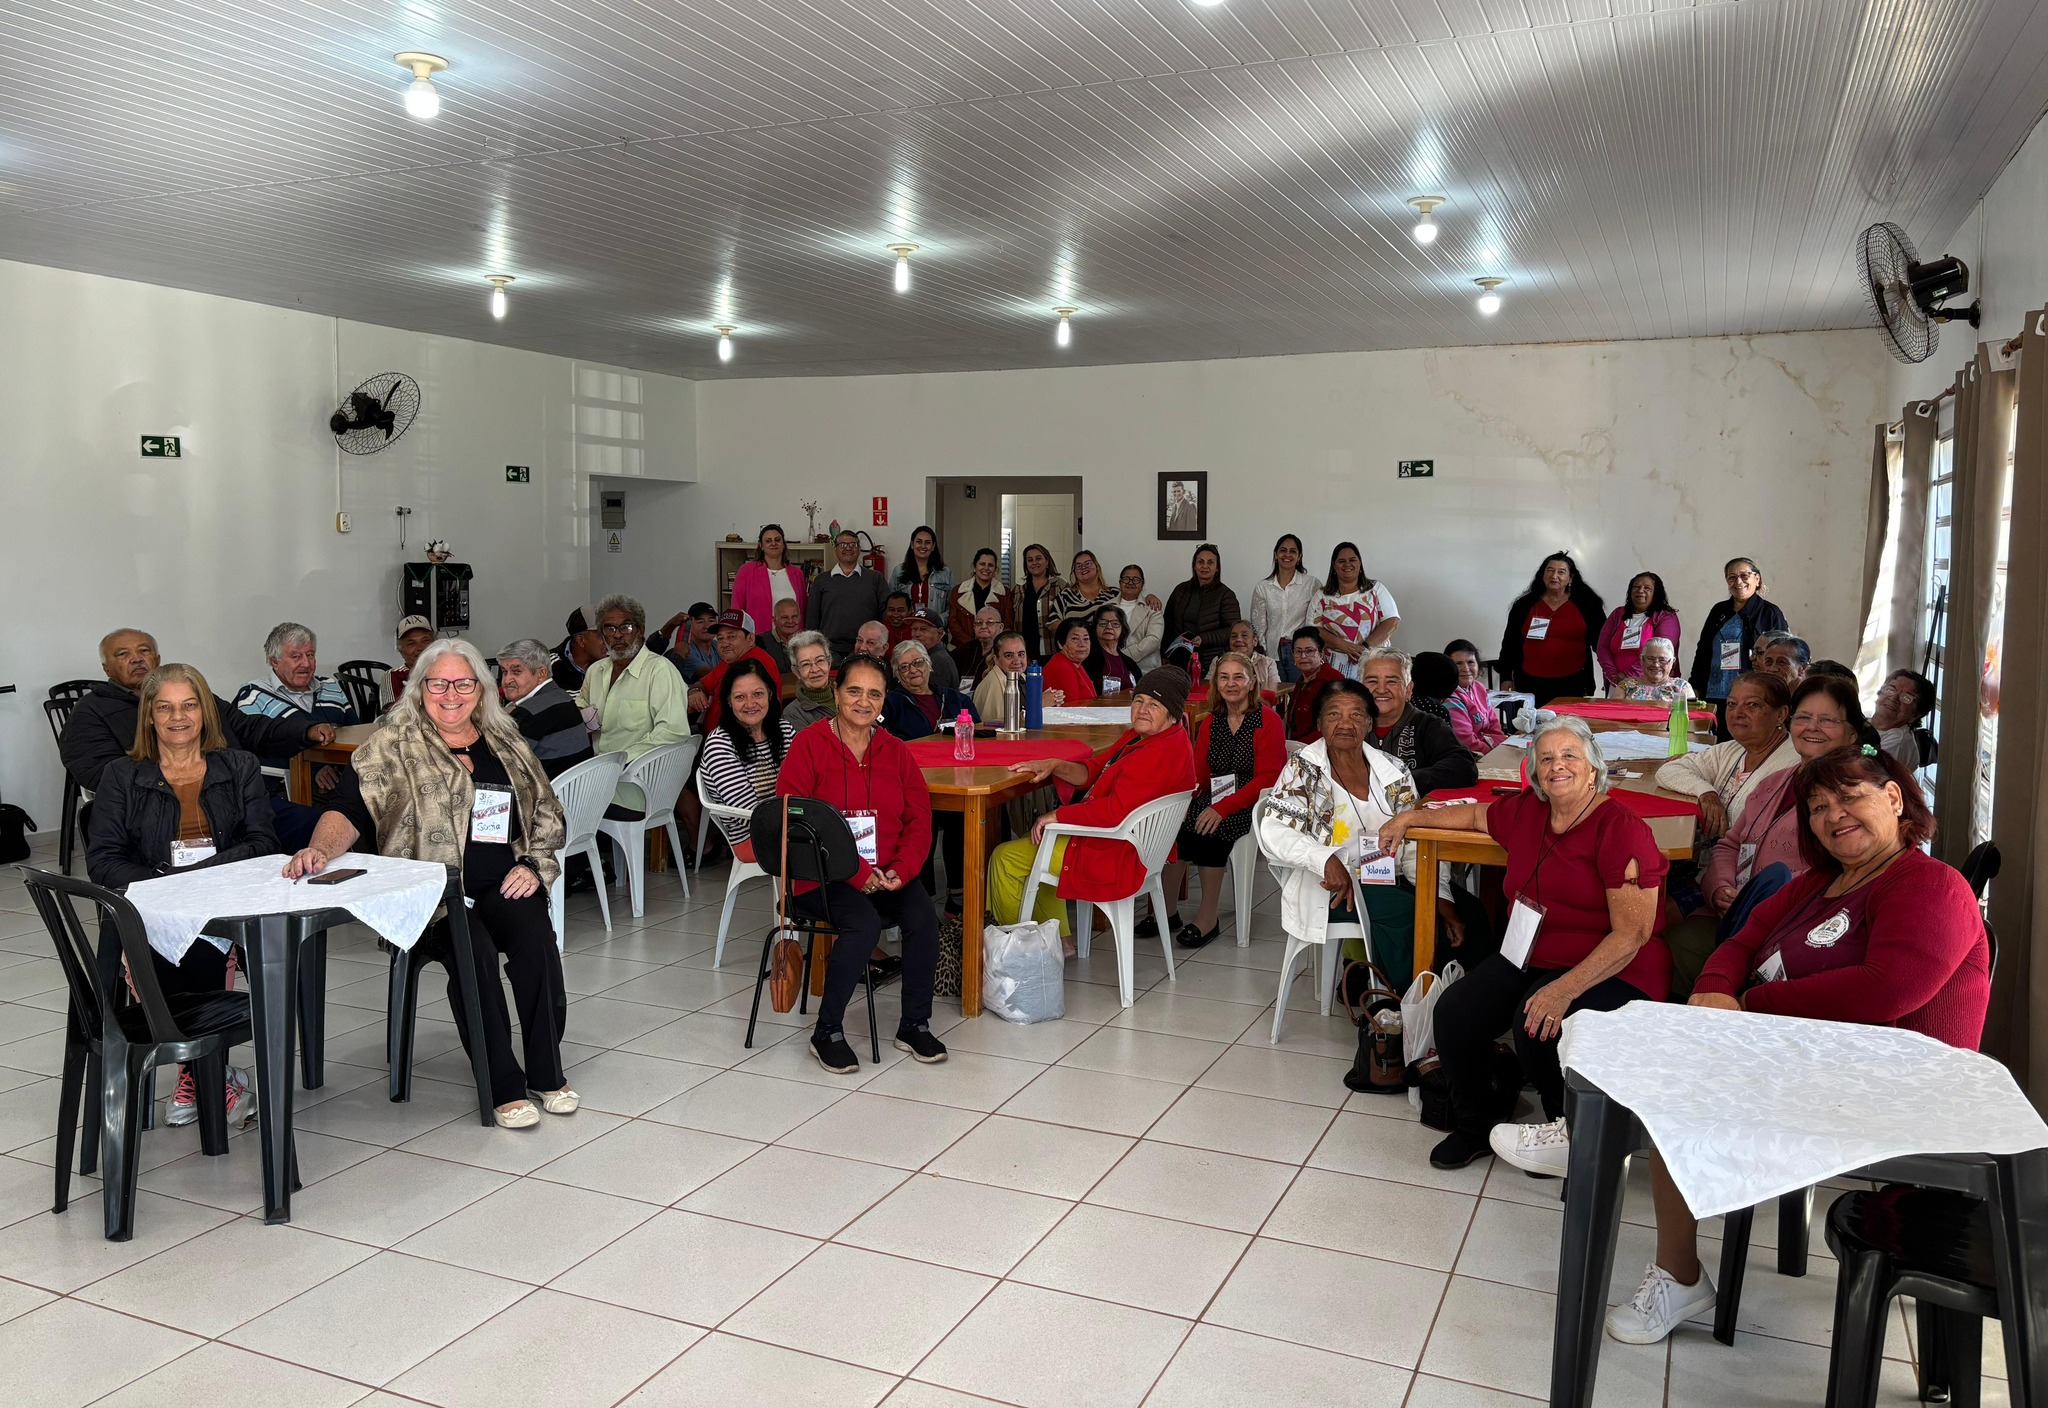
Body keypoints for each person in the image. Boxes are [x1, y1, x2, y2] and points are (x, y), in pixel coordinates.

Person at [1602, 746, 1988, 1345]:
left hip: (1888, 1090)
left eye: (1851, 796)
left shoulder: (1930, 885)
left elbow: (1883, 992)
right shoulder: (1821, 882)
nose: (1834, 815)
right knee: (1663, 1061)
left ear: (1894, 798)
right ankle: (1593, 1134)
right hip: (1804, 1057)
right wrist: (1711, 990)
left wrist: (1746, 1006)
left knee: (1674, 1094)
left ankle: (1671, 1264)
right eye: (1817, 806)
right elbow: (1741, 939)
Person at [284, 639, 574, 1130]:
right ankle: (502, 1082)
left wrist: (532, 862)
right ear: (419, 690)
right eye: (438, 683)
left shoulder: (506, 742)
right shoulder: (391, 745)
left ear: (481, 691)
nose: (451, 694)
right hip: (432, 896)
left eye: (463, 683)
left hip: (503, 881)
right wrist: (319, 848)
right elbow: (350, 809)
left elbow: (546, 810)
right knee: (474, 952)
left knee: (535, 939)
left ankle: (546, 1071)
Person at [1380, 715, 1669, 1170]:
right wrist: (1412, 816)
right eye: (1547, 758)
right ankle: (1475, 1123)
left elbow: (1633, 933)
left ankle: (1574, 1138)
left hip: (1612, 965)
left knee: (1536, 1021)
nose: (1558, 766)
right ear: (1533, 770)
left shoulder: (1621, 828)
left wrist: (1563, 989)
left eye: (1570, 755)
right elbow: (1476, 814)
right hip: (1531, 952)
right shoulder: (1528, 810)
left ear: (1593, 767)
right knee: (1454, 1012)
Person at [88, 662, 272, 1128]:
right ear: (149, 715)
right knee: (167, 952)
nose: (178, 717)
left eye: (189, 705)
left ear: (205, 711)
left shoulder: (240, 767)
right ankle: (206, 1071)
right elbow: (104, 861)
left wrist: (203, 878)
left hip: (220, 903)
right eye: (165, 707)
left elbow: (262, 843)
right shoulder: (121, 775)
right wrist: (168, 882)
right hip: (152, 906)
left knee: (204, 949)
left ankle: (199, 1072)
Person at [776, 654, 949, 1074]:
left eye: (874, 693)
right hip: (820, 879)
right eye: (854, 690)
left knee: (924, 917)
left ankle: (914, 1024)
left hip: (886, 873)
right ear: (836, 693)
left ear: (885, 699)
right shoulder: (809, 745)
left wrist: (901, 871)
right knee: (863, 924)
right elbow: (794, 821)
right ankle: (827, 1032)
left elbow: (918, 820)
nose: (863, 701)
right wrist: (858, 874)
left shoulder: (896, 751)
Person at [1257, 680, 1467, 999]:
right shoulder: (1302, 770)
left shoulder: (1392, 770)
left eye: (1356, 715)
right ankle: (1401, 1008)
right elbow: (1274, 828)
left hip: (1389, 877)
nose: (1345, 723)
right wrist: (1323, 858)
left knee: (1469, 912)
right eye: (1334, 714)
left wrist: (1441, 897)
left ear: (1370, 722)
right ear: (1319, 723)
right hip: (1332, 887)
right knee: (1409, 913)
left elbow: (1414, 839)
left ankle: (1452, 1000)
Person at [1662, 674, 1866, 994]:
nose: (1812, 727)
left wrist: (1757, 904)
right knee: (1666, 936)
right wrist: (1721, 888)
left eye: (1827, 720)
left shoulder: (1857, 796)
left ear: (1852, 733)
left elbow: (1843, 875)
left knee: (1670, 936)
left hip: (1796, 927)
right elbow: (1731, 843)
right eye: (1805, 718)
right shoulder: (1778, 780)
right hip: (1740, 911)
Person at [984, 668, 1200, 954]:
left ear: (1172, 714)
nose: (1143, 710)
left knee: (1005, 857)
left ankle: (1018, 952)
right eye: (1139, 701)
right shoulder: (1147, 737)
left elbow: (1115, 811)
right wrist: (1056, 765)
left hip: (1117, 853)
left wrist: (1058, 816)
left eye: (1154, 705)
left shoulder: (1159, 752)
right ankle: (1060, 941)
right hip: (1130, 845)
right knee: (1038, 843)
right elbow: (1097, 770)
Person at [63, 628, 333, 798]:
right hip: (154, 806)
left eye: (144, 651)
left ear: (157, 659)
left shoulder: (193, 692)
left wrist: (305, 730)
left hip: (232, 799)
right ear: (106, 669)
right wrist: (177, 779)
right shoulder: (92, 710)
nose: (136, 659)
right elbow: (96, 771)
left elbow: (248, 727)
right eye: (123, 654)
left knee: (317, 826)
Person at [1154, 653, 1286, 948]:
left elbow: (1267, 778)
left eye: (1238, 677)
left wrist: (1221, 807)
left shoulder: (1268, 721)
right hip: (1215, 795)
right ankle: (1167, 911)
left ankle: (1207, 918)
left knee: (1210, 832)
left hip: (1253, 801)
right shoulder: (1213, 720)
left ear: (1252, 682)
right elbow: (1199, 771)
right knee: (1176, 827)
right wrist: (1186, 802)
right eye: (1224, 677)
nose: (1231, 683)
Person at [233, 620, 357, 847]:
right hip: (284, 786)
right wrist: (315, 768)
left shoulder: (330, 686)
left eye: (310, 655)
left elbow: (356, 732)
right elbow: (255, 747)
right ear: (274, 661)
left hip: (340, 779)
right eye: (296, 656)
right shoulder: (253, 695)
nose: (306, 664)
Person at [577, 593, 691, 817]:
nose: (618, 635)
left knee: (561, 810)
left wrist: (618, 762)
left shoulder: (660, 671)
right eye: (609, 629)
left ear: (640, 630)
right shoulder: (596, 671)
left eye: (625, 627)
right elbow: (581, 709)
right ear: (602, 635)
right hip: (598, 778)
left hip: (637, 784)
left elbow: (673, 733)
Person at [1654, 672, 1795, 842]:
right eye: (1731, 704)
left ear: (1781, 715)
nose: (1737, 713)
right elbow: (1669, 770)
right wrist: (1706, 793)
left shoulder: (1792, 764)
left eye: (1752, 705)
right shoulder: (1732, 749)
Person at [695, 659, 795, 863]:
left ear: (769, 693)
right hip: (752, 837)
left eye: (757, 694)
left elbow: (803, 782)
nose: (750, 704)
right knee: (827, 845)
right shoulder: (720, 744)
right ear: (729, 701)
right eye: (740, 697)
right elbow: (749, 811)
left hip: (791, 824)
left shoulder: (784, 730)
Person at [1359, 649, 1478, 796]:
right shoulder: (1350, 727)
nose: (1381, 689)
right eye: (1372, 681)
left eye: (1392, 681)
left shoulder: (1429, 725)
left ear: (1408, 690)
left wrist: (1404, 781)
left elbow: (1464, 766)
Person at [1498, 552, 1607, 704]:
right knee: (1531, 727)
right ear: (1542, 575)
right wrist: (1506, 677)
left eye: (1561, 572)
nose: (1554, 575)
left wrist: (1609, 674)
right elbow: (1510, 642)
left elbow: (1602, 644)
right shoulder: (1524, 605)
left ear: (1571, 578)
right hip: (1529, 682)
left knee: (1567, 727)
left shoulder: (1588, 605)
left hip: (1573, 682)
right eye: (1550, 570)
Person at [1688, 557, 1789, 712]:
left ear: (1757, 579)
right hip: (1715, 692)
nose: (1738, 582)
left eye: (1744, 576)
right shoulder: (1718, 611)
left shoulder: (1770, 613)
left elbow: (1783, 654)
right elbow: (1703, 650)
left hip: (1753, 694)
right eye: (1732, 577)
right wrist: (1695, 686)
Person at [497, 638, 593, 778]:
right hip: (574, 790)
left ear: (541, 674)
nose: (506, 680)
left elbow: (502, 764)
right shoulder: (562, 696)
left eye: (516, 672)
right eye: (504, 672)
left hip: (546, 794)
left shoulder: (530, 712)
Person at [1309, 542, 1401, 680]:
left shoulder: (1375, 589)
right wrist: (1344, 646)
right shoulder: (1322, 596)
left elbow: (1392, 620)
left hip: (1374, 664)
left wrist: (1364, 648)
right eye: (1341, 561)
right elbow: (1312, 630)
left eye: (1352, 560)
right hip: (1333, 668)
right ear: (1334, 566)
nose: (1347, 564)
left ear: (1360, 564)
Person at [689, 609, 783, 731]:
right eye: (720, 638)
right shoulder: (730, 660)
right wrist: (695, 691)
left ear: (750, 639)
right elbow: (703, 683)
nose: (724, 644)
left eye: (731, 637)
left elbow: (758, 713)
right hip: (717, 738)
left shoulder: (758, 663)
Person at [808, 529, 891, 660]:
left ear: (859, 549)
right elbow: (812, 618)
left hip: (866, 649)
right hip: (830, 651)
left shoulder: (875, 578)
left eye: (853, 544)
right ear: (835, 549)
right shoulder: (822, 580)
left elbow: (886, 614)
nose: (848, 548)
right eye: (842, 545)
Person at [1162, 543, 1241, 672]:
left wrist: (1205, 638)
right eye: (1200, 562)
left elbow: (1232, 630)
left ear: (1217, 568)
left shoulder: (1226, 595)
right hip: (1179, 658)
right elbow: (1167, 625)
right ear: (1194, 566)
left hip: (1210, 661)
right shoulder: (1180, 590)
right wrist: (1164, 654)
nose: (1205, 566)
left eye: (1210, 562)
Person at [1595, 573, 1682, 689]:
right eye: (1636, 587)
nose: (1640, 590)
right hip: (1617, 684)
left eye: (1647, 588)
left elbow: (1663, 651)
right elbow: (1602, 647)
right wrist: (1613, 675)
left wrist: (1627, 675)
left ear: (1656, 593)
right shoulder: (1618, 614)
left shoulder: (1665, 616)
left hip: (1654, 686)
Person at [1252, 534, 1317, 683]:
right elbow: (1258, 628)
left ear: (1299, 556)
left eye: (1293, 551)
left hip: (1302, 655)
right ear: (1276, 554)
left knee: (1299, 696)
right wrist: (1263, 658)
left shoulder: (1312, 585)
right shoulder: (1263, 588)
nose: (1287, 555)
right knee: (1276, 700)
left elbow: (1315, 624)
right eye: (1283, 550)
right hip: (1272, 654)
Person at [881, 641, 976, 739]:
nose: (913, 670)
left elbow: (978, 733)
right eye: (904, 667)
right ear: (897, 674)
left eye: (918, 663)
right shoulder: (889, 703)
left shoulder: (954, 698)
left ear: (928, 664)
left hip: (956, 753)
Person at [730, 523, 809, 638]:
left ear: (783, 544)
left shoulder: (797, 574)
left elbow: (803, 609)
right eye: (768, 541)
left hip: (793, 639)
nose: (773, 544)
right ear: (761, 545)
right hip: (758, 637)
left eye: (777, 540)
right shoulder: (747, 571)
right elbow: (737, 608)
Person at [1443, 639, 1507, 755]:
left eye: (1470, 662)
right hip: (1471, 756)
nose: (1466, 669)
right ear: (1448, 667)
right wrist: (1495, 754)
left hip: (1489, 749)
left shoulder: (1479, 688)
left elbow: (1494, 726)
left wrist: (1502, 747)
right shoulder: (1449, 697)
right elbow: (1467, 742)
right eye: (1458, 663)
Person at [1286, 629, 1345, 743]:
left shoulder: (1333, 681)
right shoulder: (1302, 680)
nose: (1303, 656)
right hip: (1298, 745)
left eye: (1309, 651)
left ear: (1321, 654)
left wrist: (1302, 747)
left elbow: (1335, 724)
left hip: (1322, 747)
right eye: (1298, 651)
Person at [1872, 668, 1937, 770]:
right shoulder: (1865, 721)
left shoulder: (1899, 742)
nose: (1894, 698)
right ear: (1880, 692)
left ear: (1916, 714)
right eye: (1890, 689)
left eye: (1906, 697)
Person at [948, 548, 1012, 649]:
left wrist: (992, 644)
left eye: (990, 565)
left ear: (995, 569)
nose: (986, 568)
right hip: (962, 648)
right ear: (974, 567)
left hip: (993, 649)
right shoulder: (958, 591)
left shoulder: (1005, 593)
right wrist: (972, 645)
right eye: (982, 564)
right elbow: (953, 622)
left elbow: (1007, 623)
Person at [1047, 550, 1117, 639]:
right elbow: (1052, 624)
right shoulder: (1065, 595)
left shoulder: (1114, 593)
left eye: (1087, 563)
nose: (1083, 567)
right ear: (1074, 572)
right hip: (1077, 650)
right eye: (1078, 566)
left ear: (1097, 566)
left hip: (1107, 649)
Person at [1607, 638, 1695, 702]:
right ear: (1642, 659)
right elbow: (1613, 712)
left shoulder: (1682, 687)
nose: (1656, 665)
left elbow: (1691, 717)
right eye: (1650, 658)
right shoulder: (1626, 686)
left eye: (1662, 660)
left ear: (1672, 662)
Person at [894, 524, 952, 617]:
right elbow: (892, 604)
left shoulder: (945, 572)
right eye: (919, 542)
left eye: (927, 542)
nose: (923, 546)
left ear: (933, 546)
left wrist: (938, 621)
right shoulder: (898, 571)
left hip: (935, 628)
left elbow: (952, 607)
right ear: (912, 544)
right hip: (907, 628)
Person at [1210, 620, 1280, 697]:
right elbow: (1209, 688)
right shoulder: (1218, 661)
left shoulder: (1268, 663)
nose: (1238, 640)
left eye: (1244, 636)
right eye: (1234, 636)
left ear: (1255, 641)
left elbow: (1275, 693)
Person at [783, 632, 838, 730]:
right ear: (796, 672)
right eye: (806, 664)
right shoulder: (793, 713)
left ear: (829, 663)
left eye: (820, 660)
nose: (815, 669)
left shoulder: (847, 696)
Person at [1116, 563, 1166, 670]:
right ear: (1120, 583)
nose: (1130, 583)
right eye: (1126, 579)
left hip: (1145, 670)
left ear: (1142, 585)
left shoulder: (1153, 608)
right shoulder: (1106, 607)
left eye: (1136, 580)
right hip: (1112, 668)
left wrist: (1124, 656)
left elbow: (1154, 639)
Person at [1017, 542, 1063, 659]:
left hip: (1052, 649)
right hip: (1025, 651)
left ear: (1047, 562)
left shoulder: (1060, 585)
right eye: (1030, 560)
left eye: (1038, 559)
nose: (1034, 563)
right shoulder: (1019, 588)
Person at [971, 631, 1030, 722]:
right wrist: (1039, 704)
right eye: (1009, 656)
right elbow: (998, 726)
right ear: (996, 659)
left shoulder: (1022, 677)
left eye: (1021, 654)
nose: (1017, 661)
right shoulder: (993, 685)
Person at [1087, 606, 1142, 699]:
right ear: (1095, 627)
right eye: (1103, 623)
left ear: (1122, 629)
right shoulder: (1088, 657)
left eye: (1115, 623)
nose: (1109, 627)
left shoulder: (1130, 663)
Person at [1042, 617, 1098, 706]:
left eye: (1086, 639)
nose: (1082, 644)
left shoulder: (1075, 663)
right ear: (1060, 643)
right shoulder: (1061, 666)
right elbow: (1071, 708)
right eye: (1075, 639)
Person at [661, 603, 721, 683]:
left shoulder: (717, 645)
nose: (707, 626)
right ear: (689, 625)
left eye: (711, 620)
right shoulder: (685, 650)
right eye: (700, 622)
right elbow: (707, 673)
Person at [386, 615, 437, 704]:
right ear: (401, 651)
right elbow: (392, 714)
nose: (420, 648)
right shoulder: (393, 676)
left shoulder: (448, 672)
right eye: (411, 644)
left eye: (425, 641)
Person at [907, 608, 960, 692]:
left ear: (940, 632)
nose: (917, 634)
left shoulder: (938, 660)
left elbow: (935, 701)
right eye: (914, 629)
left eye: (923, 629)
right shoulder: (930, 657)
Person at [953, 604, 1005, 686]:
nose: (983, 626)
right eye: (979, 622)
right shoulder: (964, 650)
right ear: (974, 627)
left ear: (1001, 627)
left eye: (990, 622)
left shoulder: (1005, 652)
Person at [758, 597, 804, 676]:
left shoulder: (807, 642)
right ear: (774, 620)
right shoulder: (760, 643)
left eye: (794, 617)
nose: (790, 621)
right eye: (784, 617)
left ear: (799, 619)